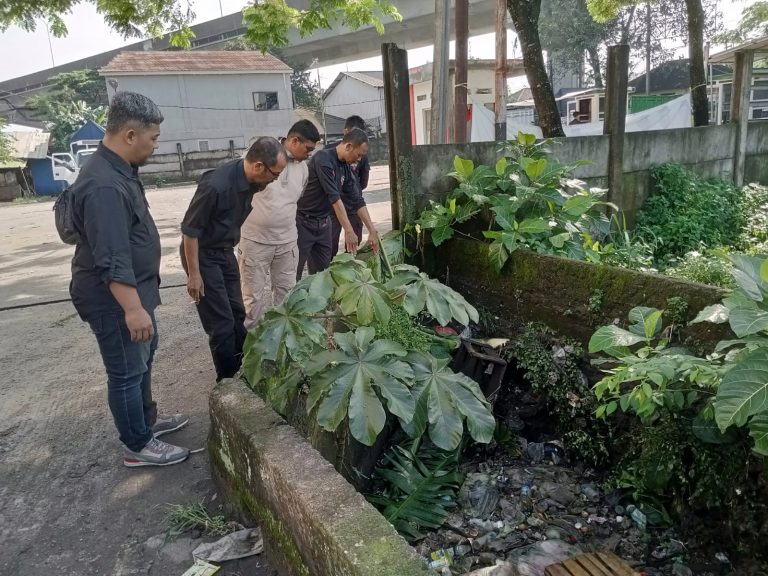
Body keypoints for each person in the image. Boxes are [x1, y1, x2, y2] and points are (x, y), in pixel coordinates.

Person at [69, 91, 190, 468]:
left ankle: (146, 423)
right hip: (115, 300)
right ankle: (137, 445)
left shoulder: (118, 170)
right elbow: (111, 255)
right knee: (125, 370)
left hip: (135, 293)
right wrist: (133, 308)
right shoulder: (104, 183)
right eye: (153, 138)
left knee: (143, 360)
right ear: (131, 135)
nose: (155, 146)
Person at [181, 137, 287, 382]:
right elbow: (189, 231)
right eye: (275, 174)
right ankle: (227, 383)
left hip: (224, 252)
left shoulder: (251, 181)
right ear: (259, 166)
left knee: (238, 313)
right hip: (202, 255)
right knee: (221, 325)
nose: (275, 180)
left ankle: (242, 369)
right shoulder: (216, 185)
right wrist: (194, 275)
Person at [239, 120, 321, 328]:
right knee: (252, 299)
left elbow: (295, 199)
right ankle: (250, 352)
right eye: (308, 148)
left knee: (287, 298)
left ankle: (280, 346)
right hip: (255, 242)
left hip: (287, 243)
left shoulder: (303, 169)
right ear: (294, 141)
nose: (310, 153)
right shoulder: (261, 157)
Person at [295, 127, 378, 280]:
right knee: (294, 271)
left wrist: (372, 230)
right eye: (359, 154)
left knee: (323, 273)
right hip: (303, 222)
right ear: (348, 146)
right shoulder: (323, 159)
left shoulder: (345, 167)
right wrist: (348, 230)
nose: (359, 159)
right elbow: (334, 197)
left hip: (324, 224)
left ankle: (322, 303)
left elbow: (356, 199)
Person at [329, 115, 373, 258]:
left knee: (353, 243)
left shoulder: (359, 156)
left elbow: (362, 184)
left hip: (353, 205)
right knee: (328, 247)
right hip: (332, 208)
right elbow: (331, 193)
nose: (358, 158)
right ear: (346, 132)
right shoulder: (327, 156)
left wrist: (372, 230)